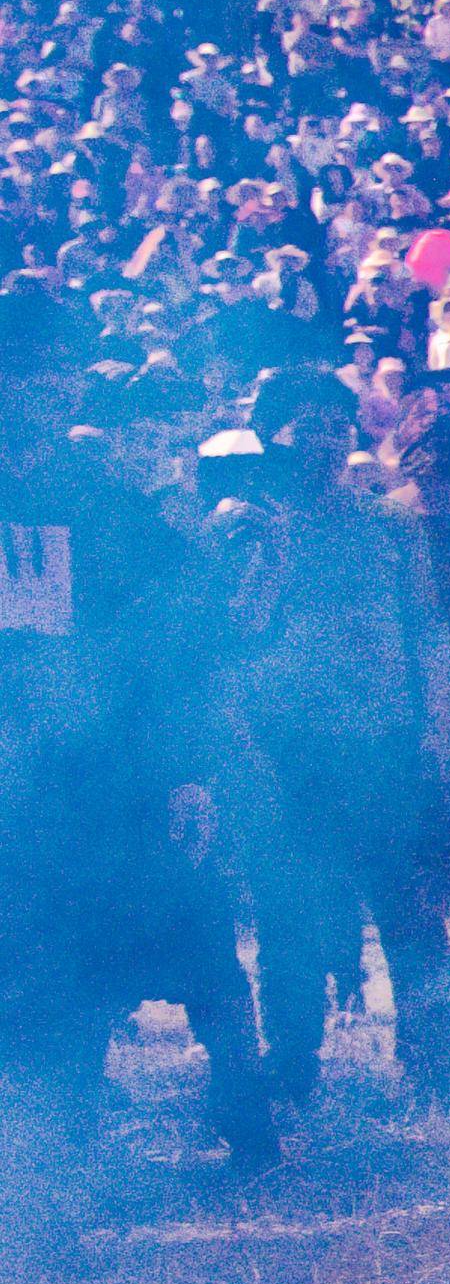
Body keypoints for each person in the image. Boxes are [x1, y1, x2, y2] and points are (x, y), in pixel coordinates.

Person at [0, 294, 272, 1176]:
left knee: (191, 948)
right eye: (22, 369)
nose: (40, 387)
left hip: (106, 777)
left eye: (53, 370)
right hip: (17, 783)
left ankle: (247, 1127)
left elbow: (180, 635)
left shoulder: (103, 504)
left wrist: (188, 772)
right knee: (41, 977)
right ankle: (54, 1181)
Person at [208, 364, 450, 1097]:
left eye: (334, 424)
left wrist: (436, 730)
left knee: (408, 908)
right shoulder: (241, 525)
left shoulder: (390, 523)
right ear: (272, 437)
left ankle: (437, 1058)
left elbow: (428, 628)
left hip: (381, 741)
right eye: (304, 424)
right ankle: (292, 1065)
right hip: (282, 751)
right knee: (287, 917)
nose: (322, 439)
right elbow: (223, 639)